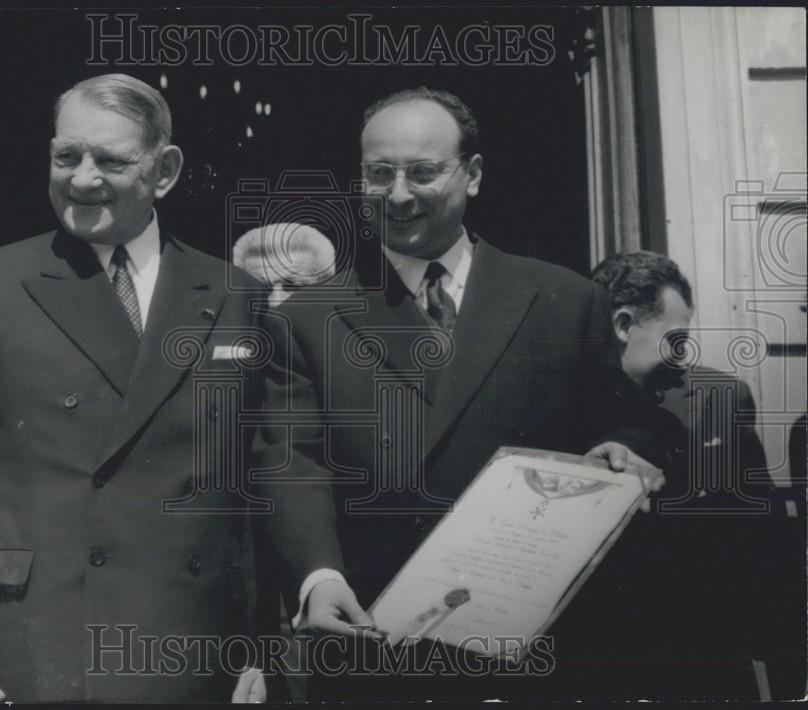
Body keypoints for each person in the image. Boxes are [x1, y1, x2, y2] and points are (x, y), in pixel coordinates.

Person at [0, 74, 363, 703]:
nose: (82, 178)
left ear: (165, 170)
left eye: (111, 160)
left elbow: (266, 471)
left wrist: (294, 603)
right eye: (66, 156)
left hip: (198, 652)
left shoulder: (235, 295)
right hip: (34, 648)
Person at [254, 87, 665, 701]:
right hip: (377, 643)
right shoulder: (308, 319)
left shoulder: (563, 300)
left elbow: (625, 420)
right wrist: (318, 575)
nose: (397, 194)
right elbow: (291, 461)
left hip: (534, 650)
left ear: (472, 175)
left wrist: (620, 448)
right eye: (378, 173)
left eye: (422, 172)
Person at [590, 250, 804, 699]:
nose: (683, 356)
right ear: (624, 325)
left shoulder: (721, 399)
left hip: (709, 661)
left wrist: (790, 676)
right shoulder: (560, 409)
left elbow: (767, 545)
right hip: (604, 666)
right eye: (675, 338)